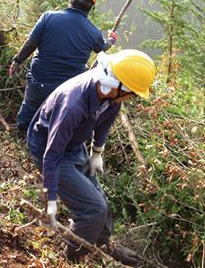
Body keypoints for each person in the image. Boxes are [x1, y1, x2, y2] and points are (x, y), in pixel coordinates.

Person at [27, 49, 156, 265]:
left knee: (101, 201)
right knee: (92, 207)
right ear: (118, 85)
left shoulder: (112, 96)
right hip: (50, 151)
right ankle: (74, 254)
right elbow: (51, 155)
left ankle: (104, 244)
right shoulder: (73, 104)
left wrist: (96, 153)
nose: (132, 97)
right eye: (131, 93)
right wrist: (50, 203)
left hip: (75, 146)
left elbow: (104, 123)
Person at [11, 0, 118, 134]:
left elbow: (31, 44)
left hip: (40, 80)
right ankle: (48, 141)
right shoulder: (93, 32)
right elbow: (102, 47)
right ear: (91, 8)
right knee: (56, 118)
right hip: (67, 89)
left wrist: (17, 61)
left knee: (30, 107)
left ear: (71, 0)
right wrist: (112, 40)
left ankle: (22, 134)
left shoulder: (49, 17)